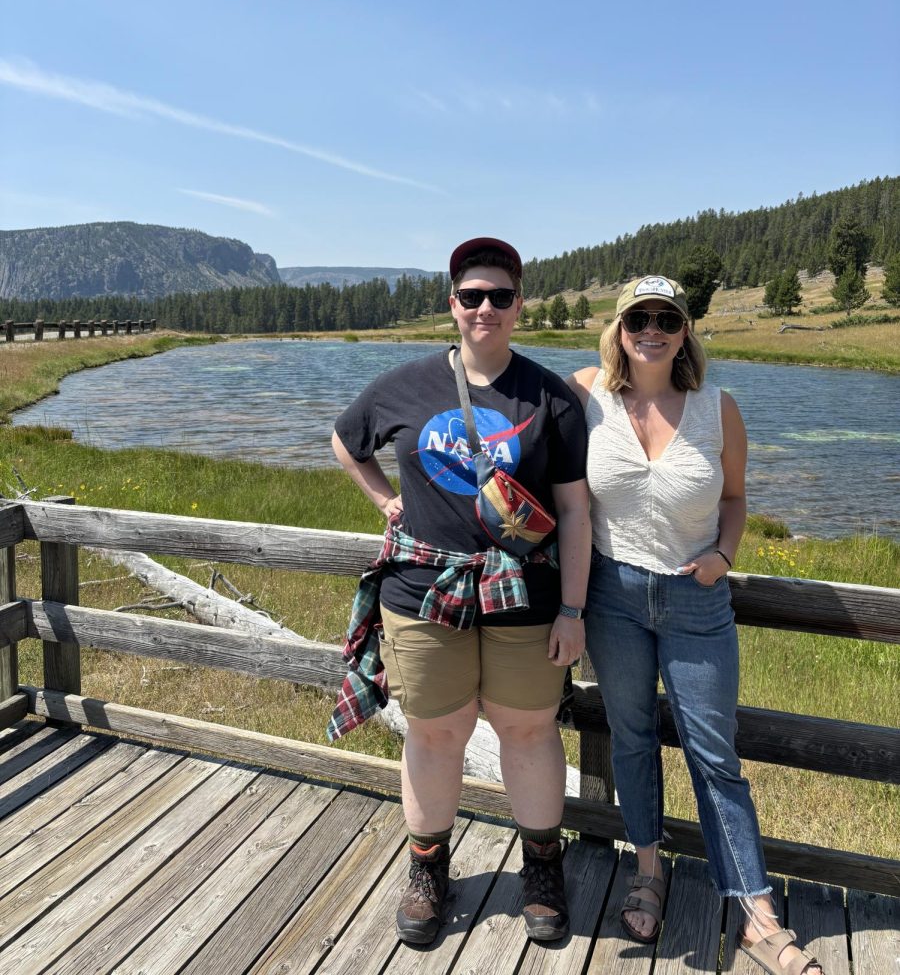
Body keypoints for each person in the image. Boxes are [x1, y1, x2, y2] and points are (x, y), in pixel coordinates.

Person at [329, 237, 591, 946]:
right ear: (452, 306)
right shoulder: (401, 385)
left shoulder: (551, 397)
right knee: (435, 733)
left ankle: (541, 866)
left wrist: (573, 608)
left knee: (528, 730)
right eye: (471, 296)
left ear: (519, 306)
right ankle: (426, 869)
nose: (485, 308)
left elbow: (573, 511)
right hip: (421, 592)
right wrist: (383, 498)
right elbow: (345, 441)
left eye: (499, 296)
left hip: (525, 596)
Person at [568, 276, 823, 975]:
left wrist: (722, 554)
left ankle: (756, 913)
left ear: (684, 332)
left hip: (695, 599)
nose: (651, 329)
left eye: (666, 319)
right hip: (612, 595)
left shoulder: (719, 408)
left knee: (715, 756)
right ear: (620, 328)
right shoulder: (587, 393)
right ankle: (647, 869)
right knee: (631, 736)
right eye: (638, 318)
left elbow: (736, 498)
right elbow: (533, 459)